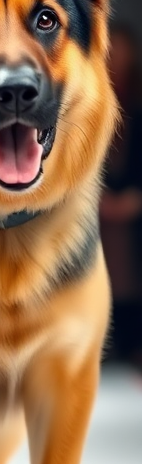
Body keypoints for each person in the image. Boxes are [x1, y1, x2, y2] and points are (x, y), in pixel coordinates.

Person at [99, 22, 142, 369]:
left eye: (122, 50)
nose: (117, 58)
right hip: (93, 206)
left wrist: (135, 199)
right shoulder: (85, 103)